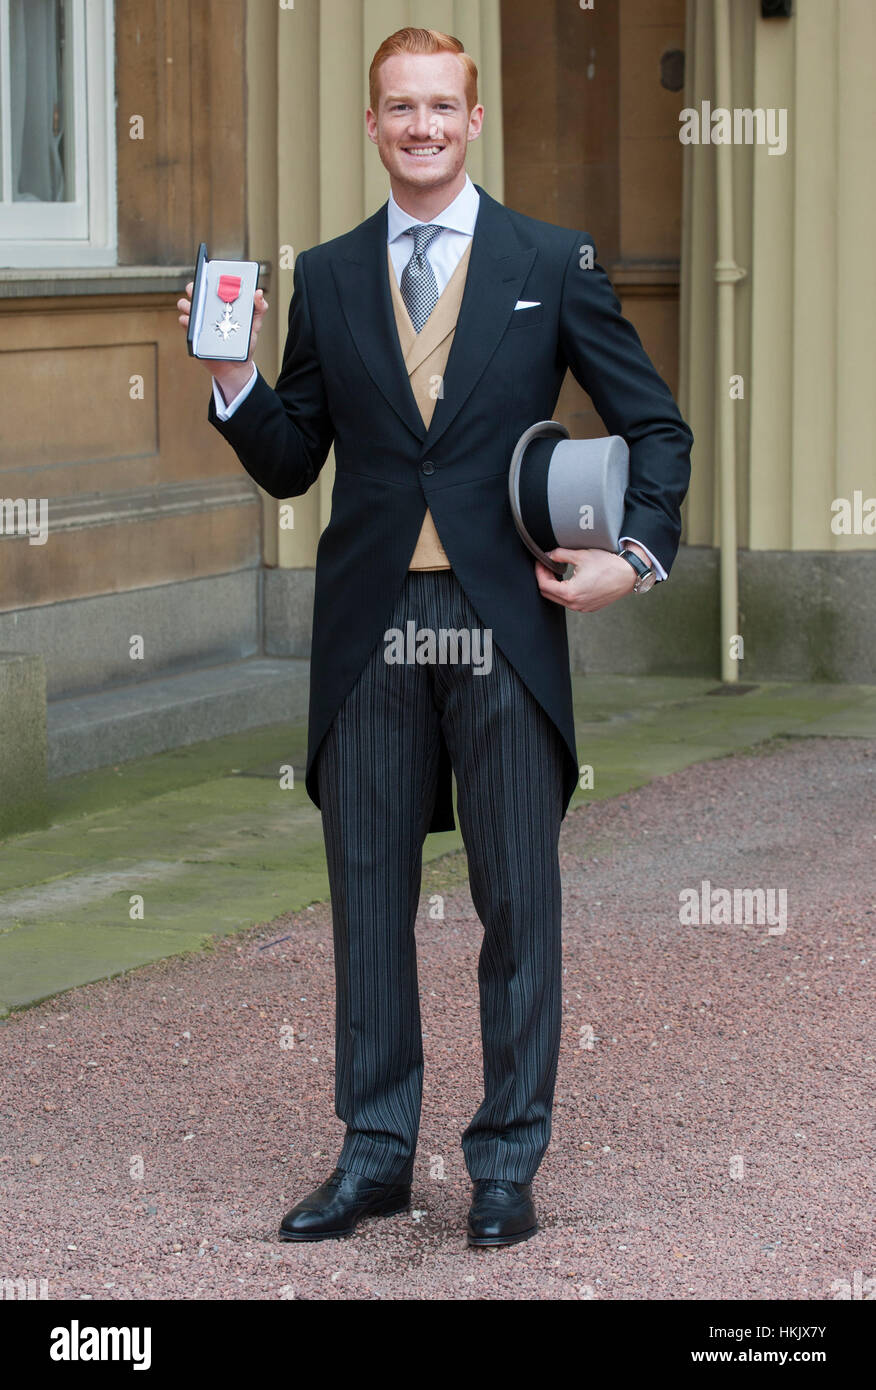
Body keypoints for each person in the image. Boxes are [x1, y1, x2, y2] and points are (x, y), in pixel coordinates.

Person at [178, 26, 692, 1249]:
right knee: (368, 900)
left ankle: (507, 1163)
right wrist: (235, 386)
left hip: (504, 621)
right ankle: (376, 1154)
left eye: (441, 107)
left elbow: (656, 427)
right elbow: (301, 460)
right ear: (372, 126)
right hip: (371, 630)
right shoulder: (333, 274)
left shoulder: (549, 259)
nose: (420, 126)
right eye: (398, 108)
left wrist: (636, 555)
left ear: (474, 121)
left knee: (519, 899)